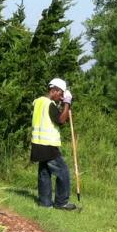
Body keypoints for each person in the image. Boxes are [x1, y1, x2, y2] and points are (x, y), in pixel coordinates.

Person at [31, 78, 77, 210]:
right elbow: (61, 120)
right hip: (48, 145)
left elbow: (58, 118)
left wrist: (64, 105)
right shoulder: (49, 104)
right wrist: (67, 102)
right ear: (54, 90)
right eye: (61, 94)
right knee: (63, 172)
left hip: (38, 144)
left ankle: (45, 203)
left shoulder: (39, 102)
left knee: (44, 173)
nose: (61, 97)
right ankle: (61, 202)